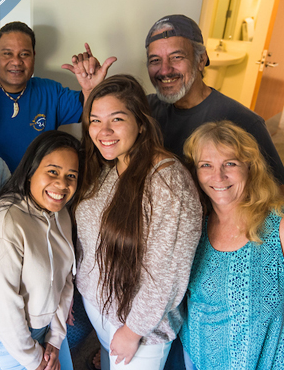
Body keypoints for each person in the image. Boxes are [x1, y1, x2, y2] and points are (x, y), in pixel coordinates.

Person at [74, 74, 202, 370]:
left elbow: (166, 274)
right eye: (95, 120)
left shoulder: (168, 184)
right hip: (101, 310)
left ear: (141, 123)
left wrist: (132, 331)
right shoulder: (110, 166)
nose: (103, 131)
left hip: (140, 330)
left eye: (116, 119)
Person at [180, 120, 284, 369]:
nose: (218, 176)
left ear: (250, 167)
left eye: (230, 163)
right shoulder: (193, 227)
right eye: (205, 165)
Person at [0, 21, 116, 171]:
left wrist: (91, 89)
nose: (16, 62)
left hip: (40, 195)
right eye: (7, 54)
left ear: (34, 56)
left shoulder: (50, 92)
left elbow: (90, 110)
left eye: (24, 54)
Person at [144, 14, 284, 189]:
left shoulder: (243, 122)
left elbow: (276, 199)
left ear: (201, 60)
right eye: (155, 60)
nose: (165, 70)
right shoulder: (146, 109)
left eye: (176, 57)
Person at [0, 130, 81, 370]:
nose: (62, 184)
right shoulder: (6, 222)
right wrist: (33, 360)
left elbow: (65, 278)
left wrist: (55, 338)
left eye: (71, 175)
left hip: (48, 332)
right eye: (53, 172)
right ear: (31, 170)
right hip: (10, 342)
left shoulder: (61, 213)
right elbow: (3, 305)